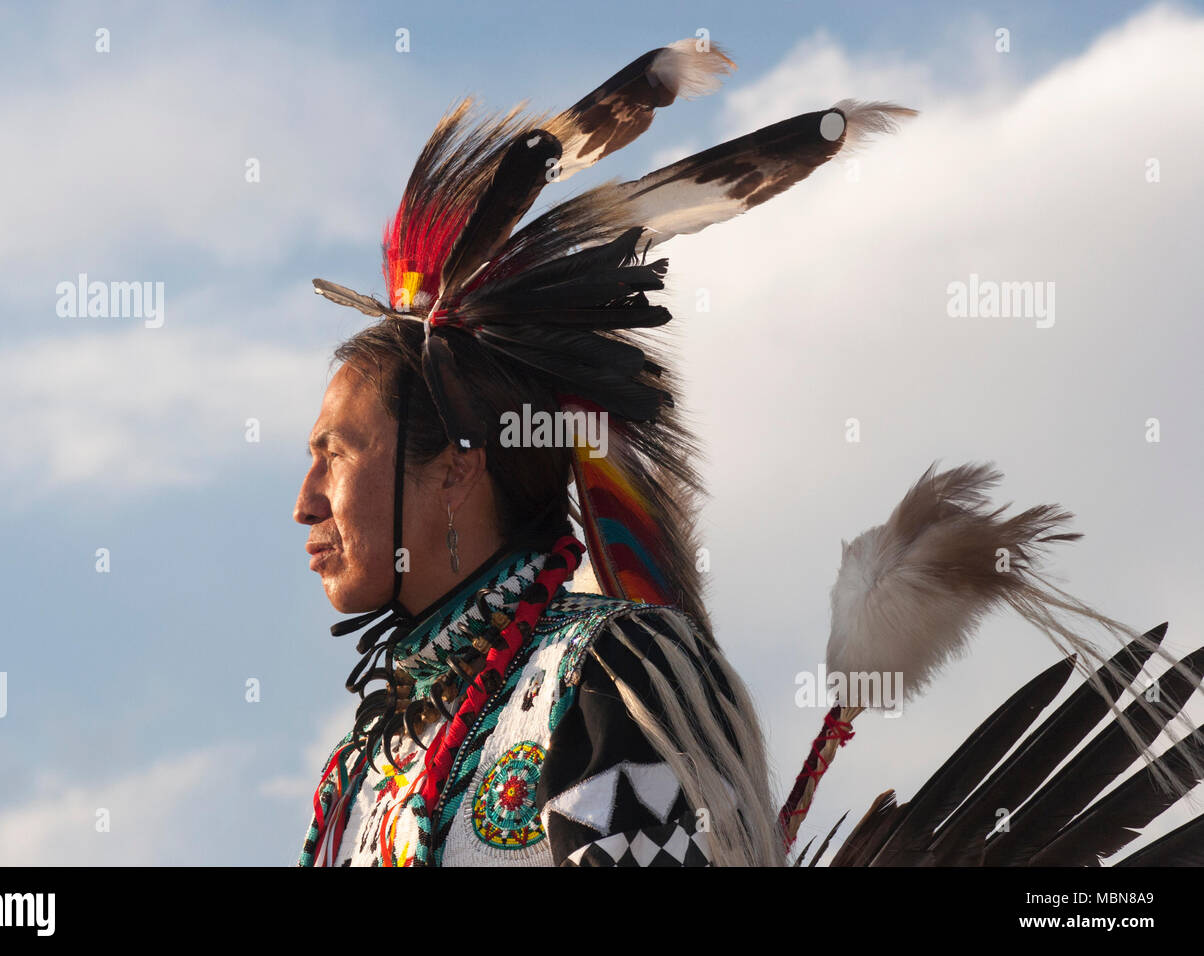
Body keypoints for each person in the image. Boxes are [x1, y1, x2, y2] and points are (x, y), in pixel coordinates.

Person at [291, 37, 912, 866]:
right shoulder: (365, 767)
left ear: (454, 471)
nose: (305, 499)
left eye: (337, 454)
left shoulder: (608, 679)